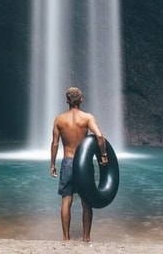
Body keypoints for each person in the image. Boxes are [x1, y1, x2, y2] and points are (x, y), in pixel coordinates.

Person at [50, 86, 108, 242]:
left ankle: (66, 238)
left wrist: (52, 164)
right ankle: (86, 238)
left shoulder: (59, 119)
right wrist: (103, 155)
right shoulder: (87, 118)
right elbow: (100, 137)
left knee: (66, 199)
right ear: (81, 99)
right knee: (86, 200)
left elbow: (55, 144)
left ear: (67, 100)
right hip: (83, 163)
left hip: (68, 161)